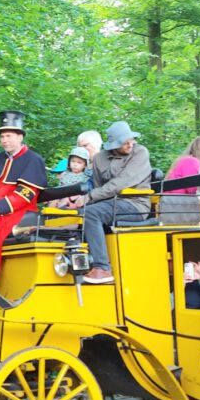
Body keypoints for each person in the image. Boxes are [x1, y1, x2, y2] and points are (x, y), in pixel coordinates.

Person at [0, 110, 48, 283]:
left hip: (19, 211)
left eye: (8, 136)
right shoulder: (0, 158)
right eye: (2, 136)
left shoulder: (33, 159)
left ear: (20, 137)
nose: (4, 140)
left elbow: (26, 194)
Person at [79, 121, 152, 284]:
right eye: (125, 142)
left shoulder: (140, 152)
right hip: (109, 204)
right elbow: (99, 187)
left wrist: (89, 197)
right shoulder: (99, 158)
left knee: (91, 213)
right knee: (79, 213)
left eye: (131, 140)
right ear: (113, 144)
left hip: (135, 204)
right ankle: (81, 264)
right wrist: (81, 202)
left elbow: (122, 182)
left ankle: (102, 268)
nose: (130, 144)